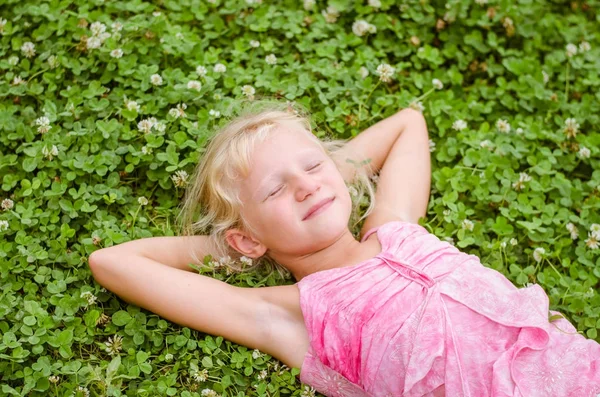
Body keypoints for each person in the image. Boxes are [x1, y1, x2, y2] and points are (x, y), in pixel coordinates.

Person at [89, 99, 600, 397]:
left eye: (312, 167)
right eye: (274, 190)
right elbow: (112, 262)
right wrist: (237, 247)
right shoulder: (291, 314)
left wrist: (335, 178)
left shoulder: (393, 225)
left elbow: (407, 124)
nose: (306, 187)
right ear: (247, 235)